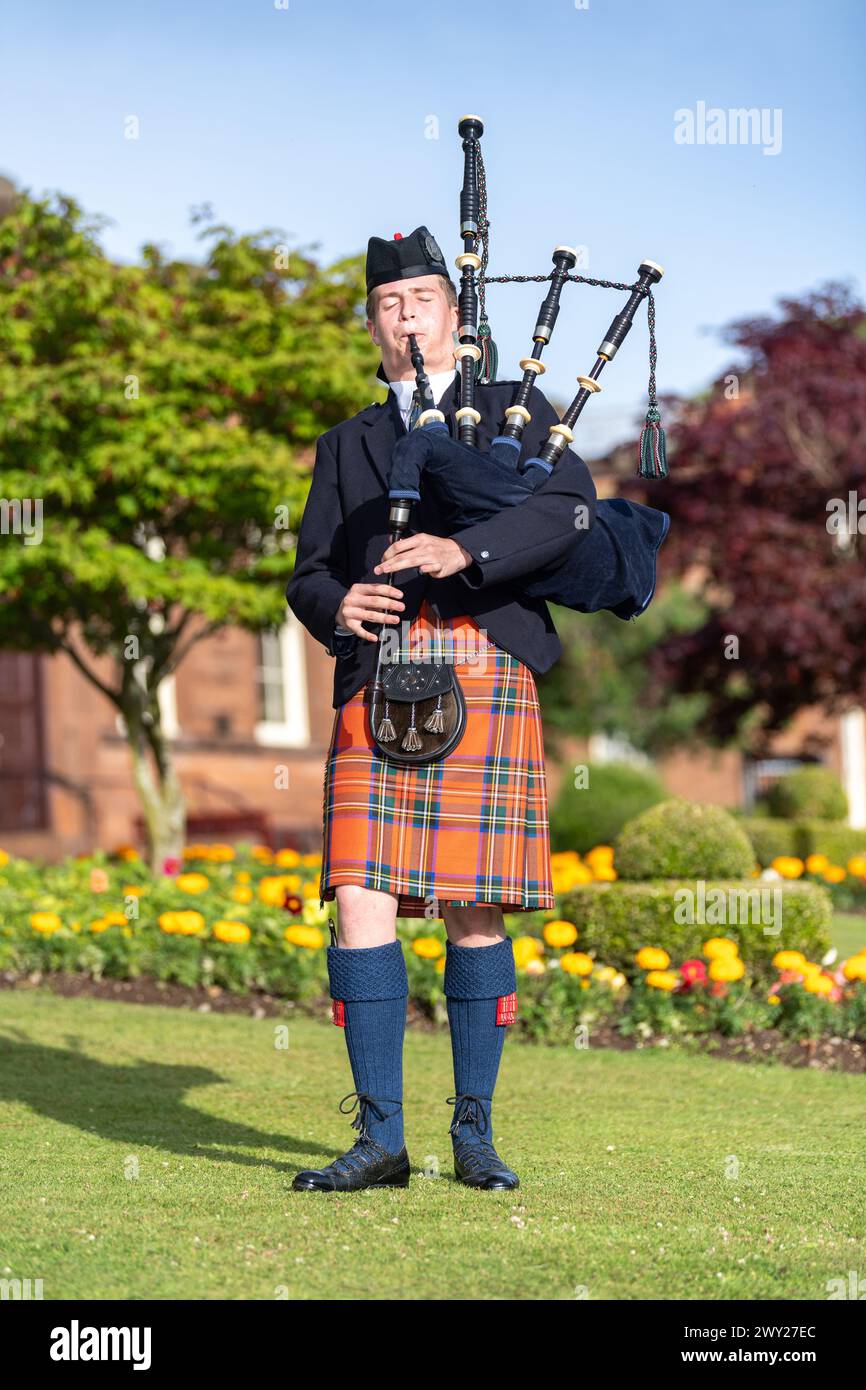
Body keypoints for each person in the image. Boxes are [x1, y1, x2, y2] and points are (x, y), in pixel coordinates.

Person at [285, 226, 597, 1193]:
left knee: (473, 909)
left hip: (483, 662)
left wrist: (467, 553)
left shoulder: (513, 411)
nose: (404, 317)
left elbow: (571, 513)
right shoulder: (349, 444)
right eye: (387, 305)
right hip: (377, 672)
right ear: (372, 329)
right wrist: (339, 605)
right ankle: (381, 1138)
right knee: (358, 901)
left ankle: (475, 1133)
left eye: (421, 300)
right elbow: (305, 574)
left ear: (455, 318)